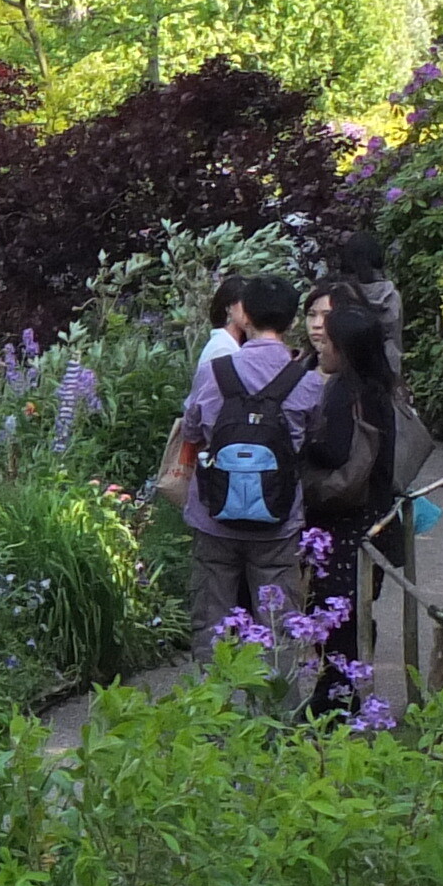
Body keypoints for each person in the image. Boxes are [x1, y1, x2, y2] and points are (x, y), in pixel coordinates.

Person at [177, 273, 314, 651]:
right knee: (279, 620)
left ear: (244, 315)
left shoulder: (215, 371)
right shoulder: (305, 380)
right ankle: (277, 707)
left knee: (211, 622)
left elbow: (192, 430)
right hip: (278, 521)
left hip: (214, 515)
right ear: (291, 321)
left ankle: (211, 705)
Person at [298, 283, 416, 720]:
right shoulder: (380, 386)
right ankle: (341, 692)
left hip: (345, 521)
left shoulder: (349, 390)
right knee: (349, 609)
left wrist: (303, 442)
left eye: (328, 341)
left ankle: (337, 697)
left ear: (344, 348)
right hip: (373, 515)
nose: (319, 345)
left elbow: (333, 450)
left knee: (333, 610)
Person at [329, 226, 407, 368]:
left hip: (351, 365)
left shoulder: (341, 294)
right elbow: (397, 338)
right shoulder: (391, 294)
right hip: (388, 363)